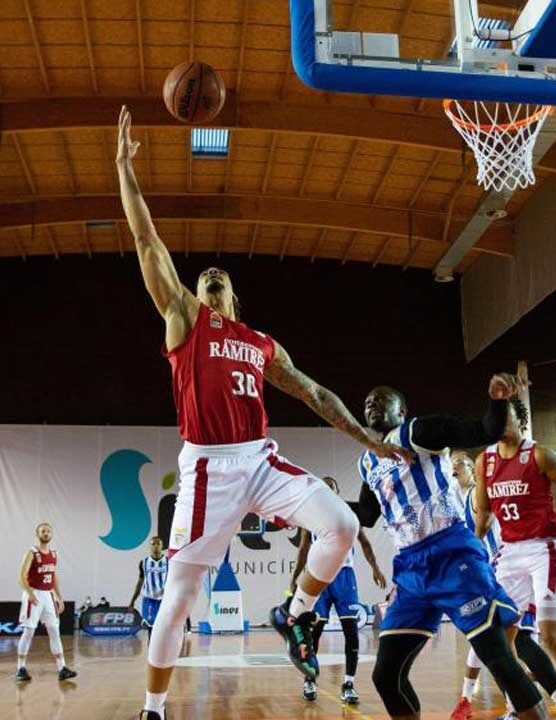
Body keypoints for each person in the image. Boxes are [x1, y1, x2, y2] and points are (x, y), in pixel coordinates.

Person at [116, 106, 409, 720]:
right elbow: (147, 240)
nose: (211, 276)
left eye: (220, 276)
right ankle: (152, 708)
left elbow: (314, 393)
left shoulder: (259, 342)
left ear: (234, 296)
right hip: (206, 470)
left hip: (259, 459)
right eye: (203, 277)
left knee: (344, 526)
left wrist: (371, 441)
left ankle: (293, 614)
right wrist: (125, 170)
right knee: (179, 595)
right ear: (196, 295)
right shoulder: (184, 320)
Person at [359, 379, 554, 720]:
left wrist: (496, 400)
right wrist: (307, 505)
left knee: (497, 658)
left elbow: (483, 430)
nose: (372, 404)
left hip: (451, 553)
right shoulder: (367, 461)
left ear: (401, 411)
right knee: (386, 676)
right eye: (368, 402)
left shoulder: (417, 432)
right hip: (410, 570)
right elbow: (365, 514)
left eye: (382, 399)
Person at [474, 398, 556, 720]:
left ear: (522, 421)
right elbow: (485, 510)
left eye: (508, 416)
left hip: (547, 549)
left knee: (551, 636)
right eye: (496, 417)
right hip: (510, 553)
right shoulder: (484, 462)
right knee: (498, 642)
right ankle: (518, 708)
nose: (501, 422)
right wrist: (473, 547)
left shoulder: (540, 454)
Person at [451, 451, 556, 720]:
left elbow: (487, 523)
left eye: (458, 464)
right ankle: (510, 706)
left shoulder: (477, 495)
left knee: (523, 641)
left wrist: (470, 550)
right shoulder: (459, 501)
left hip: (515, 566)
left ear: (471, 468)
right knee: (496, 643)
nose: (453, 469)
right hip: (499, 572)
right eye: (451, 465)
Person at [287, 476, 388, 705]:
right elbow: (303, 548)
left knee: (351, 631)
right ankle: (309, 679)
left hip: (344, 577)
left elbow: (364, 542)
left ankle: (349, 683)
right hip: (320, 576)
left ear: (337, 493)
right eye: (325, 490)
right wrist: (294, 578)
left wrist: (375, 568)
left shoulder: (347, 515)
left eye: (333, 490)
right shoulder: (310, 518)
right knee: (315, 633)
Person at [14, 522, 77, 683]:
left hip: (48, 595)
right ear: (38, 534)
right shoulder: (32, 553)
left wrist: (59, 597)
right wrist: (29, 594)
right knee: (28, 631)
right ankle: (20, 668)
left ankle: (62, 668)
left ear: (51, 534)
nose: (46, 533)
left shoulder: (54, 554)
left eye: (48, 531)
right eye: (43, 531)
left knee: (54, 631)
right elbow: (21, 576)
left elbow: (53, 577)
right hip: (33, 593)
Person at [129, 537, 169, 633]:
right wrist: (132, 601)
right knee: (150, 625)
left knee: (162, 626)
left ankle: (160, 647)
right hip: (148, 598)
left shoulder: (168, 562)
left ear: (162, 546)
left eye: (158, 544)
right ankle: (151, 646)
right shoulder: (144, 562)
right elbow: (140, 582)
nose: (156, 546)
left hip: (163, 599)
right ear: (150, 546)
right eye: (153, 544)